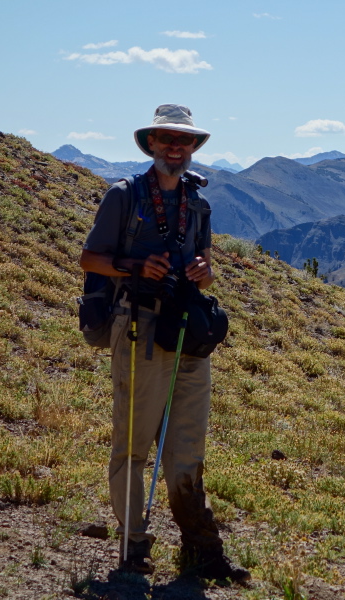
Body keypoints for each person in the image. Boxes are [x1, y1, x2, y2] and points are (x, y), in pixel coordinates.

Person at [80, 104, 248, 582]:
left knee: (188, 447)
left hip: (187, 333)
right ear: (151, 143)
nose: (176, 148)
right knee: (132, 446)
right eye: (167, 139)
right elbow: (89, 258)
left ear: (193, 148)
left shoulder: (198, 202)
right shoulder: (124, 196)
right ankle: (134, 545)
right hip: (138, 327)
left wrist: (204, 272)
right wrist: (134, 267)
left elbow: (206, 263)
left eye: (185, 141)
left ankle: (201, 547)